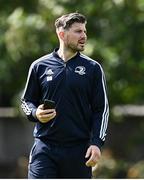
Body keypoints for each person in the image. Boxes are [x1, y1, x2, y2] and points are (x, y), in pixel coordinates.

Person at [21, 12, 109, 179]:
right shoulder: (39, 66)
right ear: (62, 34)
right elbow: (27, 101)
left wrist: (96, 143)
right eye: (78, 31)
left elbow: (101, 110)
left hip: (78, 151)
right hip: (44, 148)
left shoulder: (93, 68)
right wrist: (35, 113)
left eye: (84, 31)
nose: (84, 36)